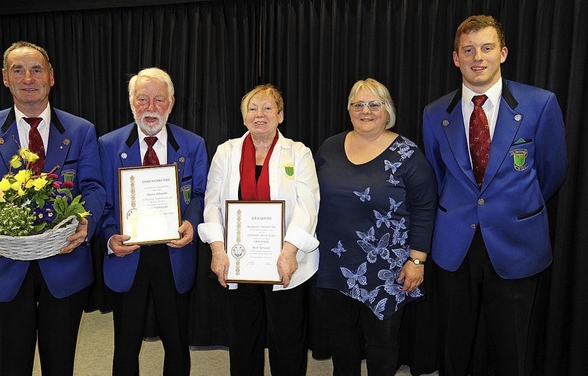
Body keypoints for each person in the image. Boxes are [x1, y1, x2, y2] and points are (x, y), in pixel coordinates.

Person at [422, 15, 568, 376]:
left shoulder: (540, 104)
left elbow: (552, 171)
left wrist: (516, 207)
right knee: (454, 348)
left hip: (516, 241)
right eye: (468, 49)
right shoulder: (435, 113)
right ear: (456, 58)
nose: (478, 57)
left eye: (486, 48)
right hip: (455, 245)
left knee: (513, 347)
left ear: (502, 53)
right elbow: (435, 177)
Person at [0, 41, 106, 375]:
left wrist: (87, 225)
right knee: (10, 366)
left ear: (51, 77)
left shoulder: (81, 131)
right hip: (4, 265)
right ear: (5, 78)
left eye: (36, 69)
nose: (28, 78)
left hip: (65, 264)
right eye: (18, 70)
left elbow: (94, 188)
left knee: (59, 366)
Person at [314, 78, 437, 375]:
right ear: (349, 109)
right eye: (358, 104)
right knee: (341, 341)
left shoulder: (408, 154)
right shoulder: (330, 147)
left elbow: (424, 208)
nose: (365, 111)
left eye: (374, 104)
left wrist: (417, 260)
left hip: (386, 268)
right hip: (334, 263)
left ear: (388, 110)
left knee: (381, 345)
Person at [197, 84, 319, 376]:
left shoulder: (299, 153)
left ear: (280, 115)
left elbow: (308, 205)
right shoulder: (226, 152)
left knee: (287, 338)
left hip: (286, 260)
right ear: (243, 117)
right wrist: (217, 248)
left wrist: (289, 251)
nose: (260, 115)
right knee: (242, 338)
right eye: (253, 108)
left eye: (268, 108)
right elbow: (211, 202)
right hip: (238, 260)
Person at [98, 67, 208, 376]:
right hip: (127, 254)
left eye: (159, 99)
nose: (150, 107)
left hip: (174, 253)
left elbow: (199, 193)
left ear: (171, 102)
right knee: (125, 344)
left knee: (176, 343)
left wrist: (191, 222)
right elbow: (101, 201)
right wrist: (109, 238)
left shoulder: (193, 144)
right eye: (142, 99)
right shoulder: (107, 145)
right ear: (131, 102)